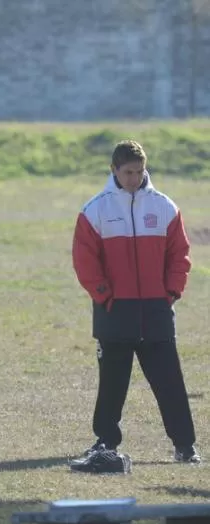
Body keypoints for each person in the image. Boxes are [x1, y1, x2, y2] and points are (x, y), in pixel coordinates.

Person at [71, 139, 200, 471]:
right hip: (114, 311)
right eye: (128, 172)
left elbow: (179, 256)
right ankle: (106, 442)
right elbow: (85, 261)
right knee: (112, 384)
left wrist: (170, 292)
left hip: (156, 311)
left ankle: (185, 446)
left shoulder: (165, 207)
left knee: (170, 381)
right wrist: (105, 296)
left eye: (140, 171)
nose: (134, 178)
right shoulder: (95, 210)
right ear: (114, 170)